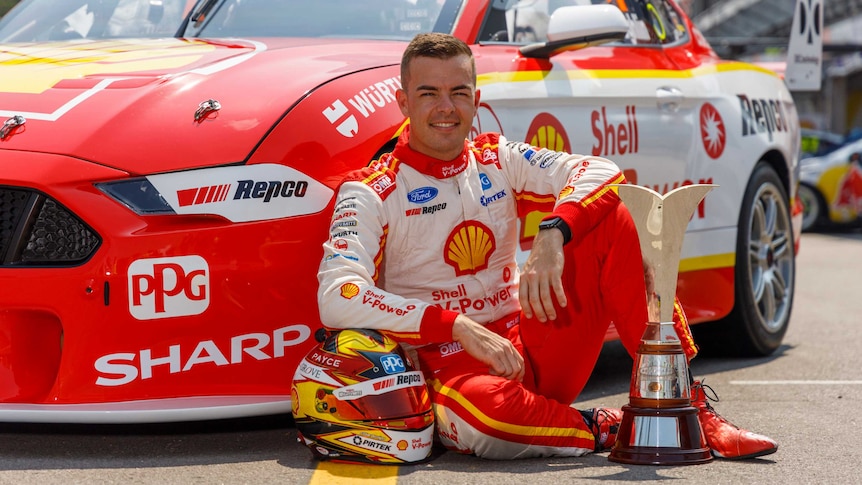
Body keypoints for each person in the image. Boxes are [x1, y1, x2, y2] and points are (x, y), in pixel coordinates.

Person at [316, 32, 777, 460]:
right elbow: (337, 296)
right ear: (402, 102)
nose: (446, 108)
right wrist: (456, 325)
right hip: (453, 371)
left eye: (459, 93)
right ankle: (609, 426)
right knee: (485, 419)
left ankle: (687, 406)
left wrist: (554, 232)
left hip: (531, 345)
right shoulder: (369, 190)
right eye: (428, 93)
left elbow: (602, 171)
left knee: (609, 217)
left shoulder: (498, 157)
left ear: (476, 101)